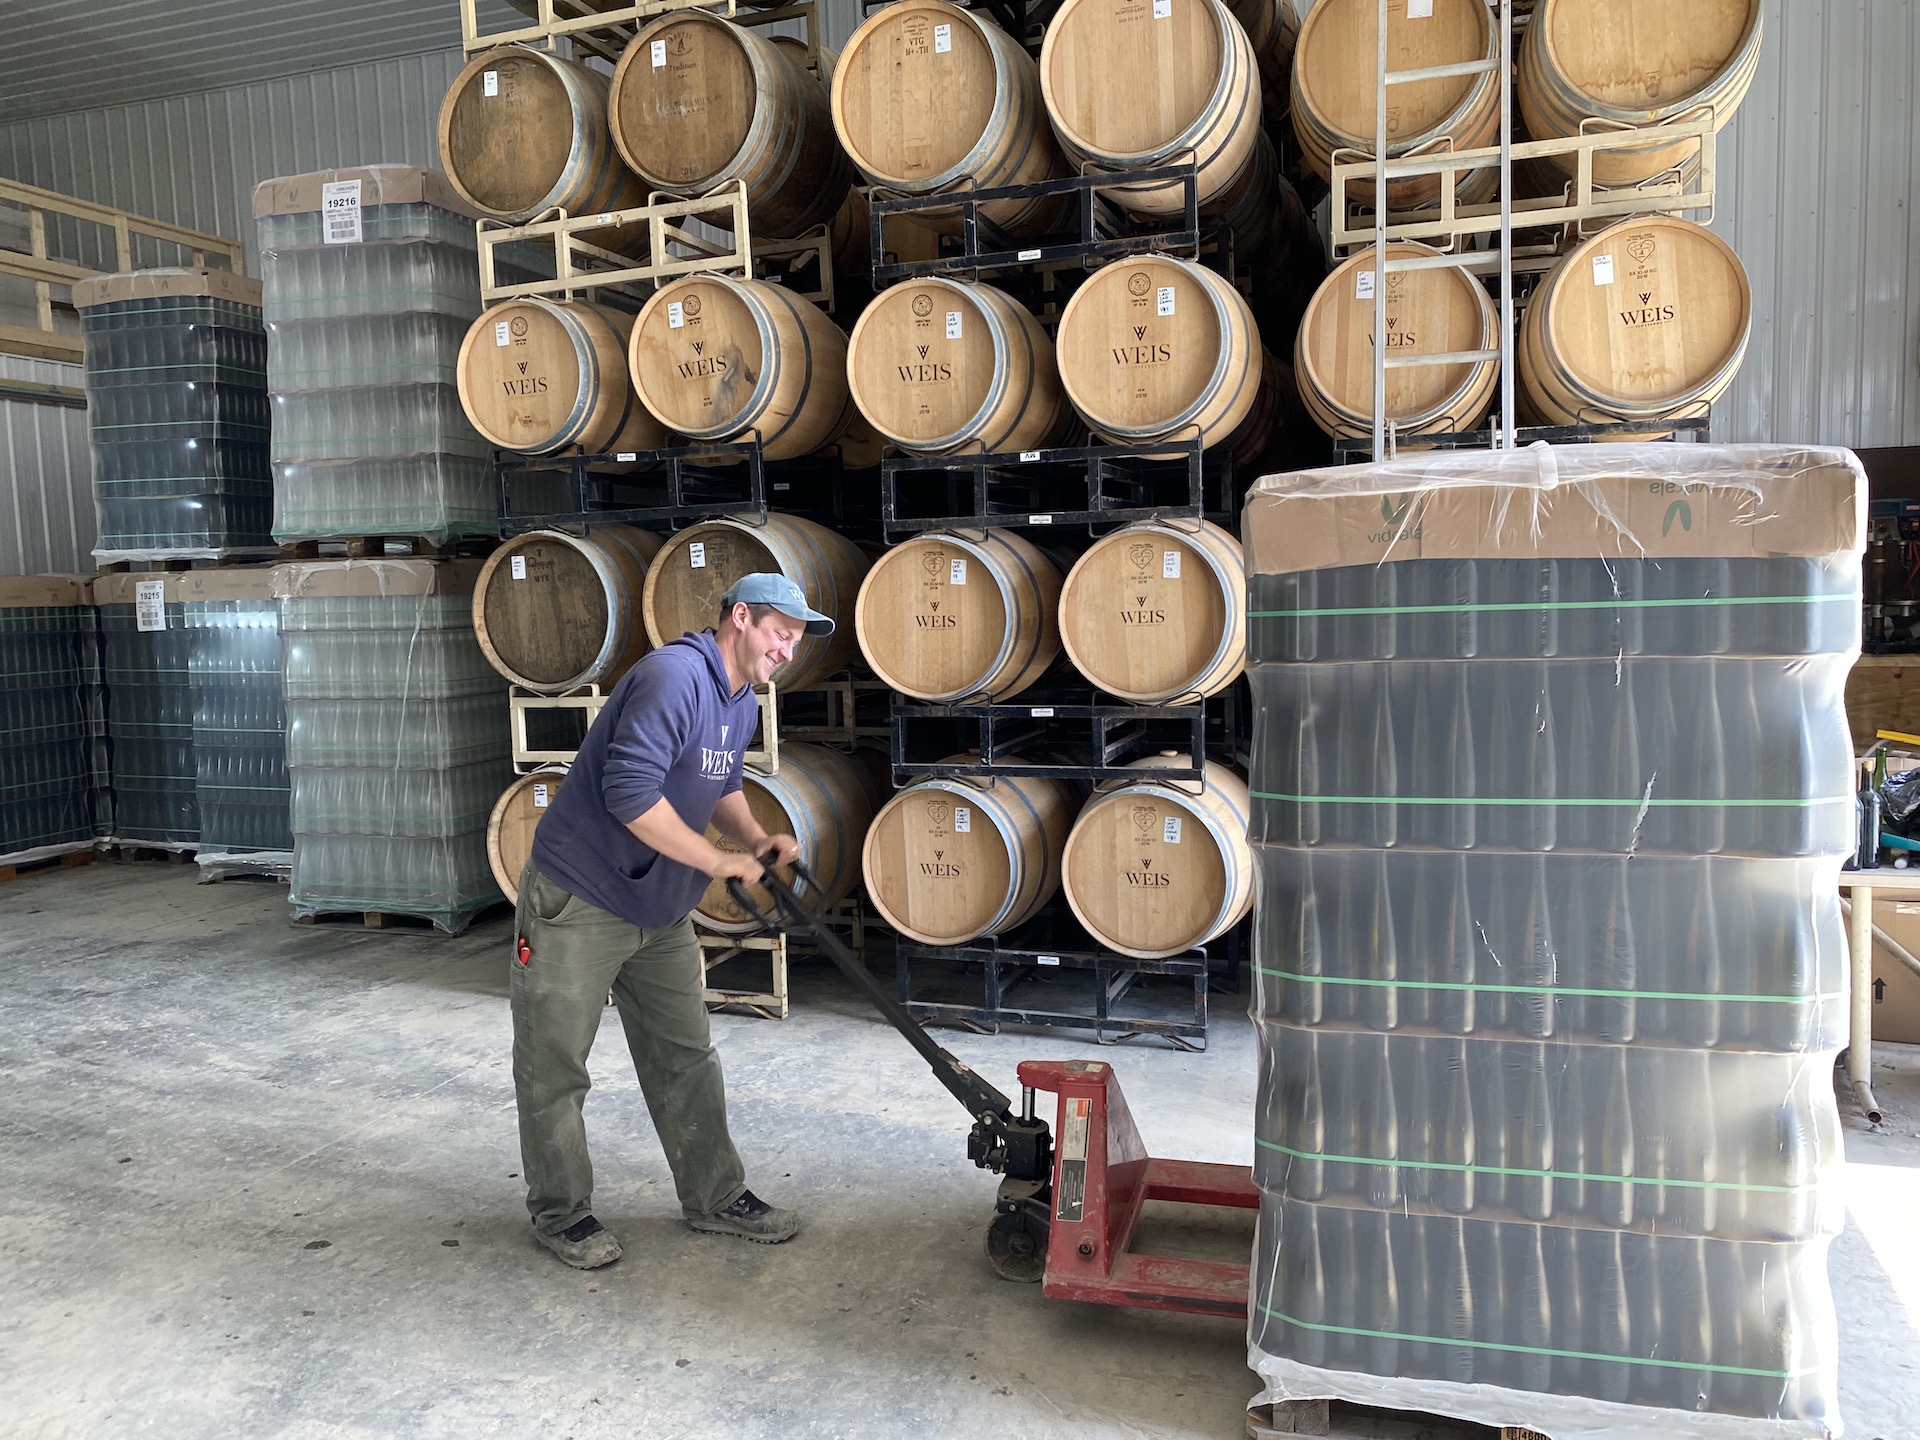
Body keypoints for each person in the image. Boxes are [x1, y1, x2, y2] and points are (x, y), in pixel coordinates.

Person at [509, 572, 827, 1270]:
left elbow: (722, 783)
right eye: (782, 633)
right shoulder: (674, 676)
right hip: (581, 897)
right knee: (555, 1063)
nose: (788, 651)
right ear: (740, 618)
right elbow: (629, 794)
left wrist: (751, 839)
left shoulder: (739, 697)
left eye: (798, 641)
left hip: (658, 905)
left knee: (686, 1055)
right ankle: (561, 1212)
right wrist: (718, 864)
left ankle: (715, 1196)